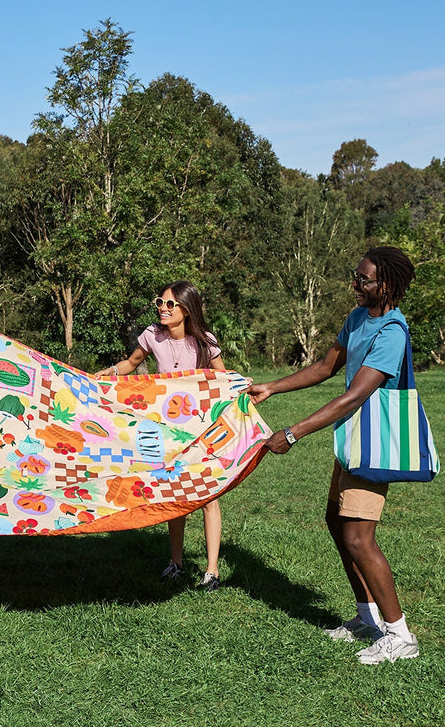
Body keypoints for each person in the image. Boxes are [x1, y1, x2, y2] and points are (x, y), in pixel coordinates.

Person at [249, 246, 420, 665]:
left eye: (364, 279)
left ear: (387, 284)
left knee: (359, 537)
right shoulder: (358, 318)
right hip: (353, 440)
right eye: (355, 276)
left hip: (374, 443)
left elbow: (355, 395)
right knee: (336, 521)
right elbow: (326, 368)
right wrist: (273, 387)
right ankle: (367, 617)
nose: (355, 284)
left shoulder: (392, 332)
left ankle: (400, 635)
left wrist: (293, 433)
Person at [95, 281, 227, 591]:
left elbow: (223, 377)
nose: (163, 309)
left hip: (200, 427)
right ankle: (176, 563)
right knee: (175, 493)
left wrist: (240, 389)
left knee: (208, 496)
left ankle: (211, 571)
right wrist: (110, 372)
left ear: (186, 309)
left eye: (170, 304)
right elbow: (131, 363)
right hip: (166, 427)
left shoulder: (204, 341)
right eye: (160, 302)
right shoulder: (153, 335)